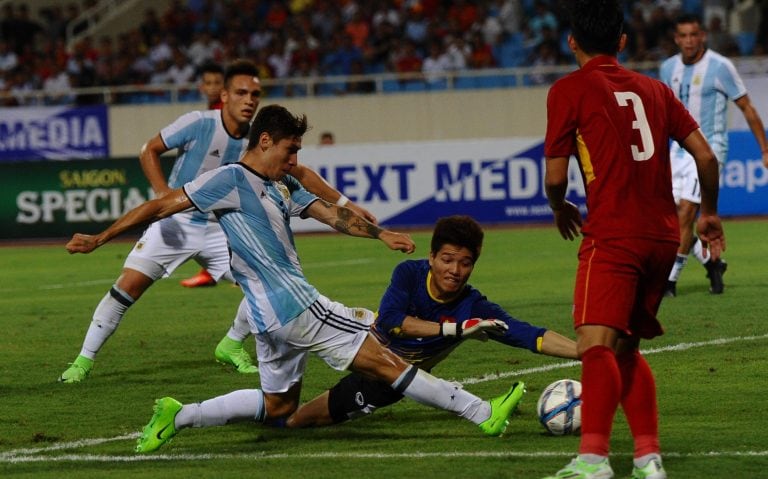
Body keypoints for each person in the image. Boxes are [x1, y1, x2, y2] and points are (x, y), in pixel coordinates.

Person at [64, 105, 524, 453]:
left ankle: (179, 416)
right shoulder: (227, 180)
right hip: (298, 306)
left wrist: (381, 234)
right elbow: (160, 206)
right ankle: (482, 413)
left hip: (269, 319)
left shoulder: (283, 184)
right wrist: (102, 237)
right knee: (386, 358)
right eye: (291, 149)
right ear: (265, 141)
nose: (295, 157)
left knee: (279, 406)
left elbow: (330, 215)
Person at [58, 60, 372, 383]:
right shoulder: (199, 123)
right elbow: (149, 150)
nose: (249, 100)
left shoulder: (260, 140)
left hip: (221, 228)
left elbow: (301, 174)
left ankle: (231, 343)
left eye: (255, 94)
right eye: (241, 92)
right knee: (128, 286)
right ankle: (83, 360)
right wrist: (163, 192)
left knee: (267, 285)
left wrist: (346, 204)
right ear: (224, 95)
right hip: (175, 223)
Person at [543, 1, 725, 478]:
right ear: (623, 42)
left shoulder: (568, 90)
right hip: (663, 238)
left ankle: (593, 461)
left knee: (594, 344)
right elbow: (706, 158)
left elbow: (556, 175)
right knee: (626, 348)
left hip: (614, 234)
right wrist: (708, 214)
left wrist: (558, 205)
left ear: (572, 42)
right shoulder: (656, 89)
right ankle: (648, 458)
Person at [286, 215, 576, 429]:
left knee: (298, 421)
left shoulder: (473, 306)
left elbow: (530, 336)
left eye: (465, 263)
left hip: (383, 382)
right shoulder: (410, 275)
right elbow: (390, 320)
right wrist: (455, 330)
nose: (455, 270)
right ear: (432, 256)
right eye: (447, 260)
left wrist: (585, 351)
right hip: (358, 343)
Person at [660, 13, 768, 297]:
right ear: (676, 38)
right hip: (675, 150)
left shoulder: (720, 67)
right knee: (671, 221)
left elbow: (747, 108)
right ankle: (713, 264)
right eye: (683, 36)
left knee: (686, 213)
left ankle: (668, 283)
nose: (688, 41)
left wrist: (765, 149)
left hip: (708, 151)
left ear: (702, 36)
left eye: (693, 35)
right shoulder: (667, 68)